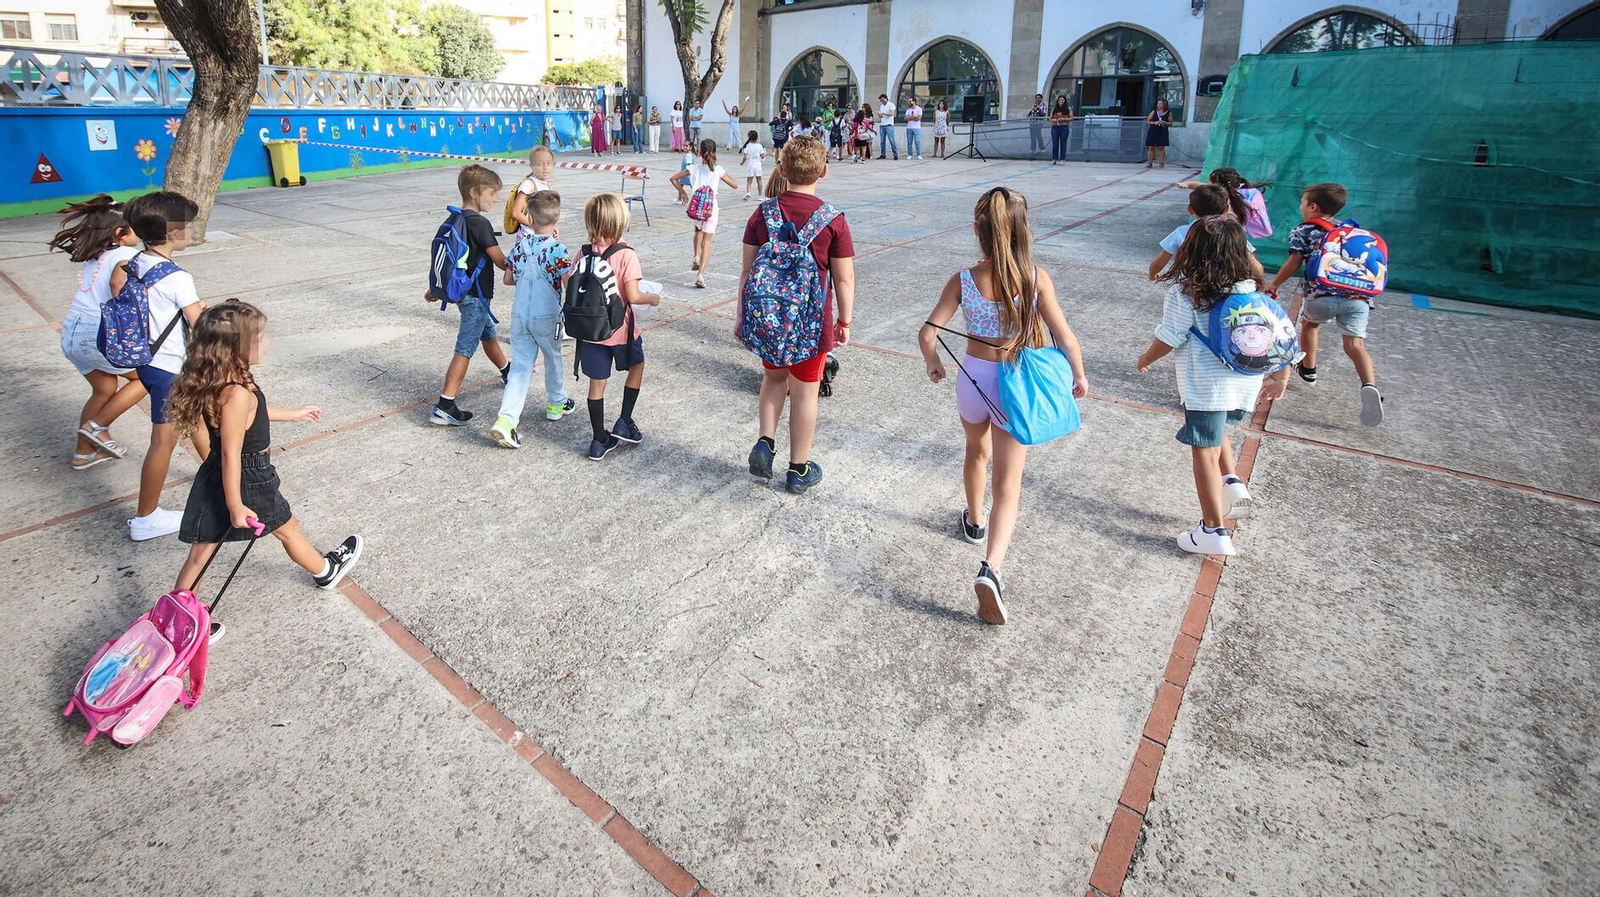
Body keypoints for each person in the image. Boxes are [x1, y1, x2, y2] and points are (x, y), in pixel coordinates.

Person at [917, 187, 1088, 625]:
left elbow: (928, 332)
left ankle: (973, 521)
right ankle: (991, 568)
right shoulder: (1036, 279)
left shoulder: (964, 279)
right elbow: (1065, 337)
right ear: (1022, 230)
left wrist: (934, 362)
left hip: (973, 379)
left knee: (976, 451)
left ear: (978, 232)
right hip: (1017, 385)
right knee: (1008, 485)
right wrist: (1079, 374)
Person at [168, 300, 363, 642]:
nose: (267, 341)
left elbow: (247, 420)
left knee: (200, 554)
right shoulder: (238, 393)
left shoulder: (218, 381)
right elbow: (232, 452)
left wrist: (294, 413)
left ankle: (176, 623)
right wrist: (236, 505)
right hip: (248, 477)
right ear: (236, 347)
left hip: (218, 473)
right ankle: (325, 571)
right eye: (261, 336)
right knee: (288, 529)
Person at [1137, 217, 1289, 557]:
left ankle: (1212, 528)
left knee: (1203, 450)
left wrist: (1145, 358)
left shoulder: (1186, 292)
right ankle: (1232, 483)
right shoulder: (1248, 288)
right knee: (1219, 432)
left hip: (1206, 385)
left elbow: (1170, 337)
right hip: (1245, 382)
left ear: (1191, 251)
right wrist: (1282, 376)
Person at [738, 135, 856, 496]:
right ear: (823, 170)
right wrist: (844, 322)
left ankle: (765, 441)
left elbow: (746, 272)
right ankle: (798, 468)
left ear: (782, 170)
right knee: (805, 393)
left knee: (773, 381)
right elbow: (844, 277)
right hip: (809, 324)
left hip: (769, 320)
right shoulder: (833, 220)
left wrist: (743, 317)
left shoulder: (763, 213)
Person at [106, 191, 208, 542]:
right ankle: (146, 517)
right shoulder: (178, 278)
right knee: (162, 441)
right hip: (169, 367)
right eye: (188, 225)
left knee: (195, 423)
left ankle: (229, 484)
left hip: (148, 363)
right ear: (173, 232)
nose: (191, 230)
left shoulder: (133, 263)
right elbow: (201, 325)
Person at [1263, 182, 1383, 426]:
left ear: (1313, 206)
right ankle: (1369, 385)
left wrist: (1274, 284)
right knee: (1355, 344)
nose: (1302, 206)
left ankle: (1308, 370)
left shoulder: (1304, 230)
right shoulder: (1351, 230)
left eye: (1303, 202)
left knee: (1310, 326)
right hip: (1357, 298)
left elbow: (1294, 263)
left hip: (1322, 295)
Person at [47, 195, 147, 471]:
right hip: (96, 333)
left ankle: (84, 453)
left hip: (72, 334)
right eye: (136, 227)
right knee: (146, 377)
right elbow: (118, 284)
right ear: (119, 233)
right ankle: (97, 426)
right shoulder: (127, 255)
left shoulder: (98, 255)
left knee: (103, 390)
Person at [574, 193, 661, 461]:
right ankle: (624, 420)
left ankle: (599, 440)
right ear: (620, 223)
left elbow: (571, 280)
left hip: (591, 333)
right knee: (637, 366)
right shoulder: (626, 254)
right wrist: (653, 298)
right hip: (621, 330)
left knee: (597, 383)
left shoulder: (584, 252)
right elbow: (633, 296)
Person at [427, 165, 510, 427]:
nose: (495, 199)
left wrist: (436, 287)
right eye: (492, 193)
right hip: (475, 297)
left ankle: (508, 372)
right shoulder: (480, 223)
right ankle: (445, 405)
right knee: (464, 349)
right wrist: (529, 261)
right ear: (475, 192)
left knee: (488, 335)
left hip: (468, 295)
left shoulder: (455, 219)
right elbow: (500, 261)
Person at [491, 190, 575, 449]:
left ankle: (506, 421)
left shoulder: (520, 246)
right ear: (557, 218)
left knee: (520, 367)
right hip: (546, 316)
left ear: (530, 218)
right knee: (553, 357)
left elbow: (507, 279)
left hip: (519, 316)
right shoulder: (558, 250)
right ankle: (556, 402)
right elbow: (568, 283)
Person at [1149, 185, 1263, 282]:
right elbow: (1256, 268)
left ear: (1190, 209)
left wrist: (1152, 275)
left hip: (1191, 285)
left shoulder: (1182, 232)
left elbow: (1158, 263)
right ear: (1226, 209)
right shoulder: (1233, 232)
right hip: (1225, 285)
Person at [671, 138, 742, 289]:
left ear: (700, 152)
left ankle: (696, 256)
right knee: (707, 242)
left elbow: (673, 178)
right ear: (714, 152)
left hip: (695, 207)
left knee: (697, 230)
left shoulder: (693, 168)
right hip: (711, 209)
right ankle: (701, 275)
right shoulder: (718, 170)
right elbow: (735, 185)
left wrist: (682, 192)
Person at [1179, 167, 1273, 238]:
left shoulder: (1230, 212)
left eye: (1211, 184)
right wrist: (1188, 184)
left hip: (1228, 239)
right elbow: (1202, 185)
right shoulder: (1237, 192)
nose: (1209, 186)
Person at [506, 144, 554, 238]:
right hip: (528, 239)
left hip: (542, 237)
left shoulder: (547, 186)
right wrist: (536, 226)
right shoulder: (528, 185)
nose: (545, 167)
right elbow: (515, 213)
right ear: (532, 166)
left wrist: (553, 226)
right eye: (540, 164)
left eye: (549, 163)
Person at [1144, 98, 1171, 168]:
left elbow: (1170, 123)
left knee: (1161, 147)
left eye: (1160, 103)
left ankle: (1161, 163)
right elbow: (1147, 121)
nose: (1158, 105)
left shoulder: (1168, 113)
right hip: (1153, 130)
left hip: (1162, 131)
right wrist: (1153, 122)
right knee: (1151, 147)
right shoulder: (1154, 112)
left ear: (1164, 104)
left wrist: (1165, 122)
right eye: (1158, 104)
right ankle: (1150, 163)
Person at [740, 129, 766, 200]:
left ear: (748, 137)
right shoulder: (760, 146)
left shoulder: (747, 146)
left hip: (750, 165)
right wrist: (764, 155)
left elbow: (745, 157)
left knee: (749, 180)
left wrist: (742, 163)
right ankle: (760, 196)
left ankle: (748, 193)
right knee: (759, 180)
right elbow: (762, 156)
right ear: (757, 138)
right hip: (758, 165)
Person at [1048, 95, 1074, 164]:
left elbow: (1071, 118)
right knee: (1055, 143)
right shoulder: (1054, 109)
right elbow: (1050, 119)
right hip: (1055, 127)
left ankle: (1063, 158)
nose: (1061, 101)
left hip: (1064, 127)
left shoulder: (1068, 109)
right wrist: (1054, 120)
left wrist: (1064, 119)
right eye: (1060, 100)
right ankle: (1054, 158)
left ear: (1065, 101)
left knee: (1063, 143)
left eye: (1062, 100)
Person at [876, 93, 899, 161]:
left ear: (886, 98)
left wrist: (883, 113)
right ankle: (883, 154)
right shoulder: (881, 106)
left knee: (892, 140)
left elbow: (892, 114)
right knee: (882, 141)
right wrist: (879, 115)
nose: (882, 101)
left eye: (883, 100)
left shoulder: (891, 104)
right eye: (881, 100)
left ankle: (895, 154)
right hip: (882, 124)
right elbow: (881, 117)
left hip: (889, 125)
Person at [904, 95, 924, 160]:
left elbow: (919, 118)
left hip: (917, 127)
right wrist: (913, 117)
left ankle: (919, 154)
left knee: (917, 141)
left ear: (914, 101)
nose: (909, 102)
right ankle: (910, 154)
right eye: (909, 101)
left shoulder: (919, 109)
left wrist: (910, 117)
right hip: (909, 127)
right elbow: (905, 118)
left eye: (910, 101)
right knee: (909, 142)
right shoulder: (908, 110)